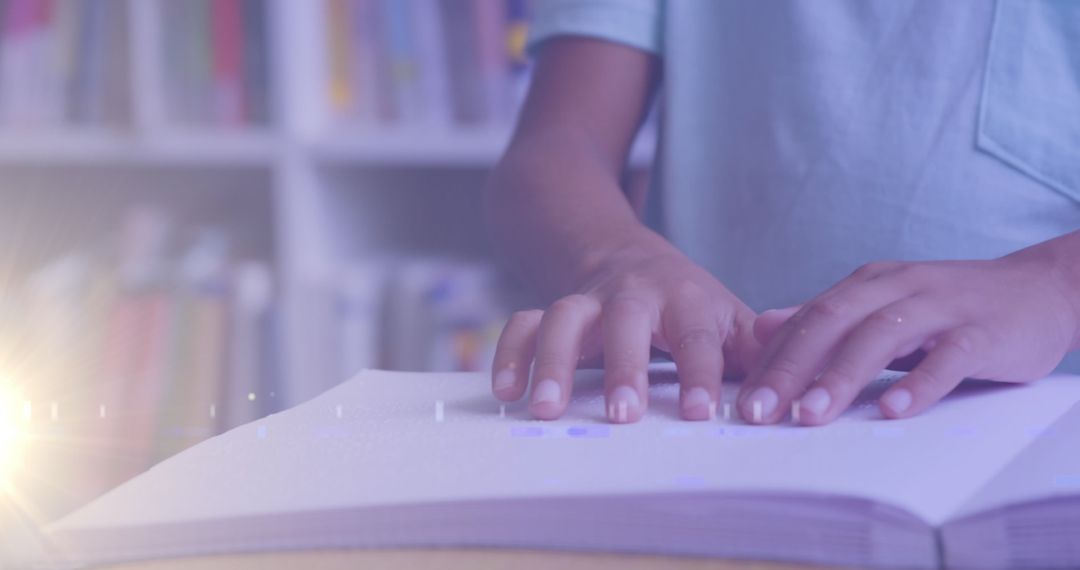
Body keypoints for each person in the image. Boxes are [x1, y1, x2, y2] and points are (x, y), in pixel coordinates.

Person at [483, 0, 1080, 426]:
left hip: (1032, 423)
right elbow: (552, 149)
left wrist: (1061, 283)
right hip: (700, 410)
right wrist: (614, 257)